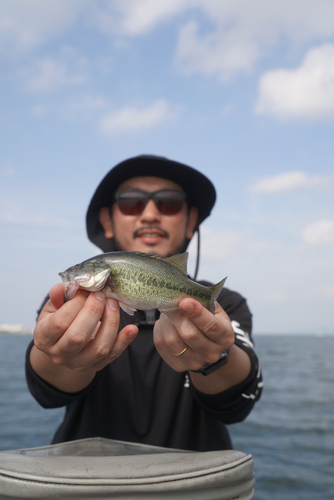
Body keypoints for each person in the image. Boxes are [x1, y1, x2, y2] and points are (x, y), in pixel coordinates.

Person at [26, 155, 262, 451]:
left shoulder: (224, 303)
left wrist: (217, 356)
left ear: (191, 222)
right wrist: (58, 353)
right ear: (106, 221)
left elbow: (237, 405)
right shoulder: (69, 303)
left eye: (169, 203)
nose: (150, 214)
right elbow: (47, 394)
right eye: (131, 203)